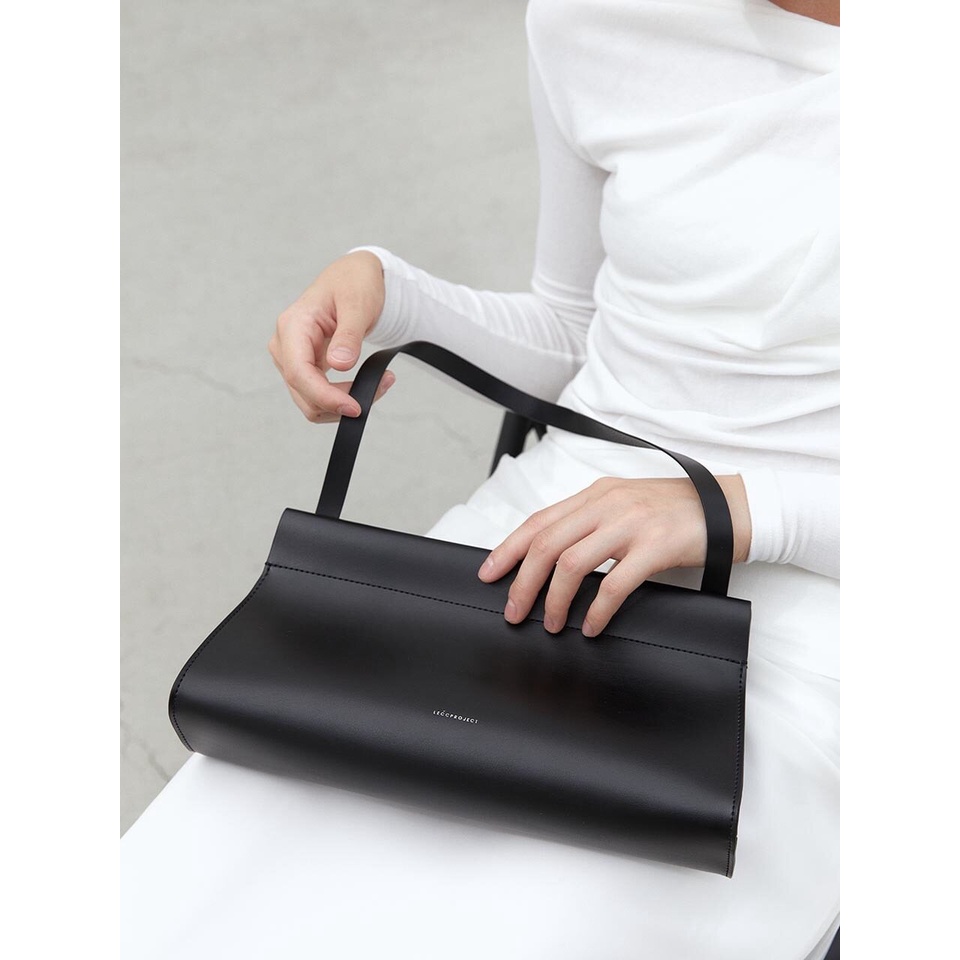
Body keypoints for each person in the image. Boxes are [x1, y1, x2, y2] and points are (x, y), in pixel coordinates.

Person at [121, 1, 839, 957]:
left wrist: (744, 510)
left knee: (554, 916)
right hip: (546, 536)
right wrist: (389, 291)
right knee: (229, 860)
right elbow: (575, 331)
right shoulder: (598, 18)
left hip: (826, 586)